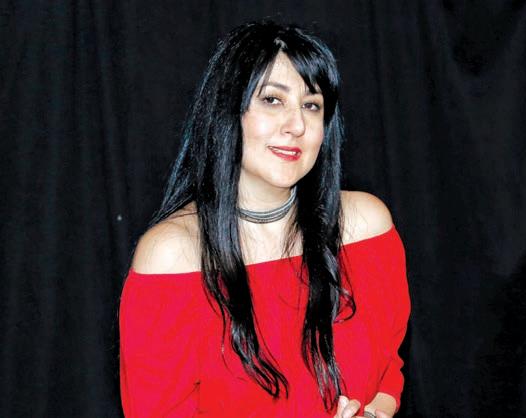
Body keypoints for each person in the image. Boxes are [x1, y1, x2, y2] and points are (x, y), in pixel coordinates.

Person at [119, 20, 410, 418]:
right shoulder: (172, 255)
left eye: (311, 105)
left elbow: (387, 376)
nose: (297, 125)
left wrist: (372, 414)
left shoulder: (365, 228)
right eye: (273, 100)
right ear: (227, 112)